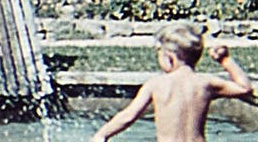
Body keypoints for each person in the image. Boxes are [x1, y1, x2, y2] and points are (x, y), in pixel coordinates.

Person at [91, 21, 253, 142]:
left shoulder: (156, 85)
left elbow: (128, 116)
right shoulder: (205, 83)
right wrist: (225, 60)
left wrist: (102, 134)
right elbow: (244, 88)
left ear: (169, 57)